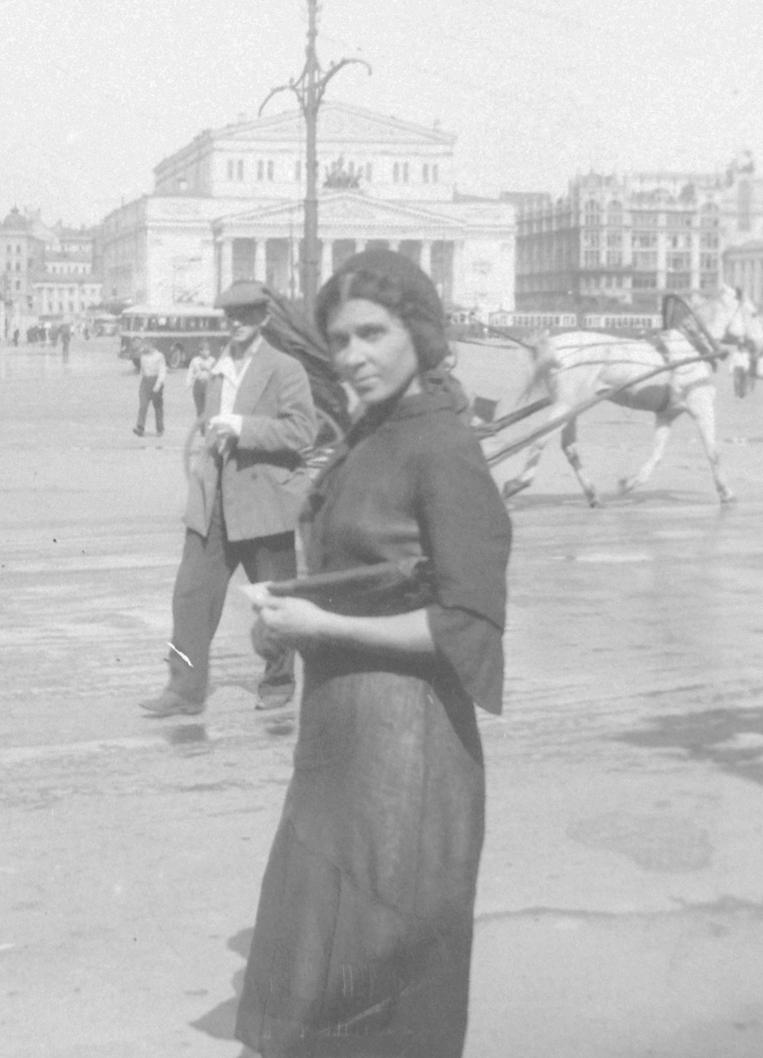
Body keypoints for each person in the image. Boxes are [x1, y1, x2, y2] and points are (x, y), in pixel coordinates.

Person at [235, 250, 510, 1058]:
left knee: (375, 1003)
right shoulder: (373, 436)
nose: (355, 354)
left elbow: (468, 628)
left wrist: (321, 629)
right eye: (340, 338)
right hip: (339, 748)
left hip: (407, 758)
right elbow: (364, 574)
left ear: (420, 332)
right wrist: (289, 616)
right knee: (311, 987)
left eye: (373, 332)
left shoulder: (443, 447)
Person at [140, 282, 317, 716]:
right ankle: (184, 689)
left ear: (264, 319)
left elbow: (302, 432)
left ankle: (277, 682)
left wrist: (244, 426)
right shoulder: (219, 367)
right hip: (212, 504)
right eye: (230, 315)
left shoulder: (285, 369)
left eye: (246, 314)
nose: (236, 322)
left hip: (262, 505)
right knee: (189, 599)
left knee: (271, 602)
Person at [133, 340, 167, 436]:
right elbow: (142, 371)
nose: (143, 347)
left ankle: (160, 428)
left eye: (145, 345)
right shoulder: (143, 356)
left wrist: (158, 384)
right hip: (145, 382)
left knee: (158, 407)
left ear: (151, 345)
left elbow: (162, 371)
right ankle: (140, 427)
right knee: (143, 405)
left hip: (155, 380)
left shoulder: (159, 356)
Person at [186, 343, 215, 418]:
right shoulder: (195, 360)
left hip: (208, 384)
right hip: (198, 384)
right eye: (204, 351)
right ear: (200, 351)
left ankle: (207, 427)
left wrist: (207, 368)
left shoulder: (212, 360)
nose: (206, 353)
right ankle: (202, 428)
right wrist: (188, 382)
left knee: (207, 408)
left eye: (208, 350)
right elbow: (190, 371)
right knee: (200, 409)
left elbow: (216, 372)